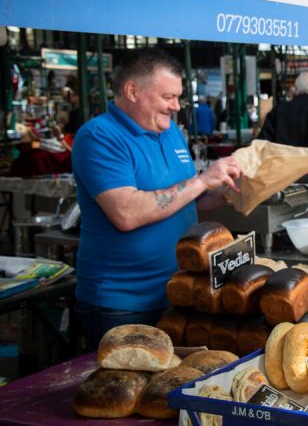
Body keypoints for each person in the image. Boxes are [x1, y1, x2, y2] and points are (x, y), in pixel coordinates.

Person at [72, 48, 242, 349]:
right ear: (132, 90)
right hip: (122, 304)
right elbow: (126, 212)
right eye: (168, 97)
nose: (176, 106)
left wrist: (225, 192)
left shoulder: (171, 133)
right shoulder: (99, 137)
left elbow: (183, 202)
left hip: (178, 292)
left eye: (178, 97)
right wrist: (201, 180)